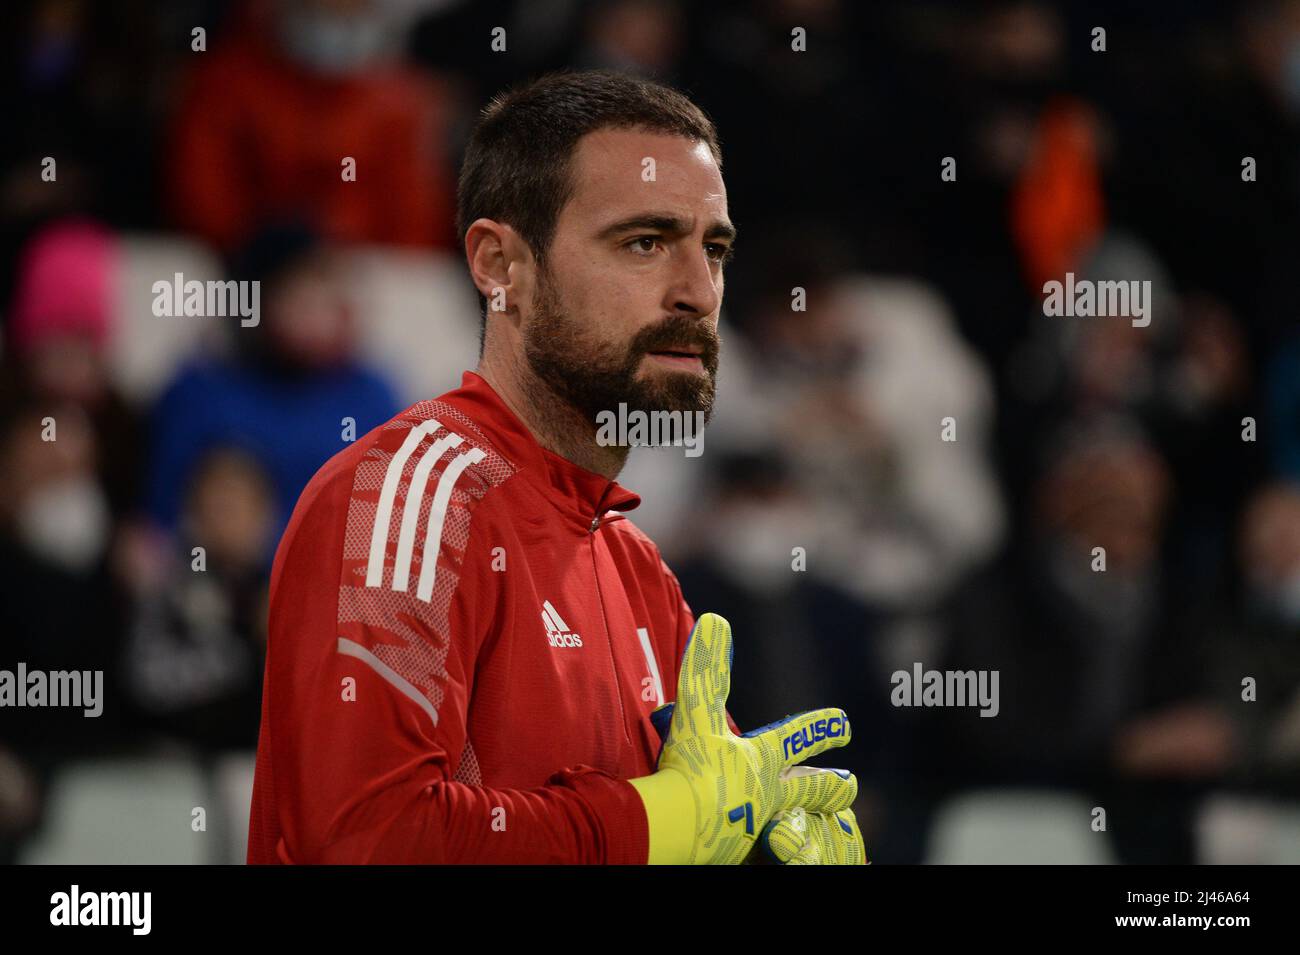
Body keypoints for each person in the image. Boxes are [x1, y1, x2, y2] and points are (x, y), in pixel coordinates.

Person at [247, 70, 861, 865]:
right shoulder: (411, 493)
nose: (698, 292)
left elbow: (685, 830)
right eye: (645, 242)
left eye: (713, 250)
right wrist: (655, 823)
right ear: (501, 264)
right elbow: (367, 840)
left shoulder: (640, 571)